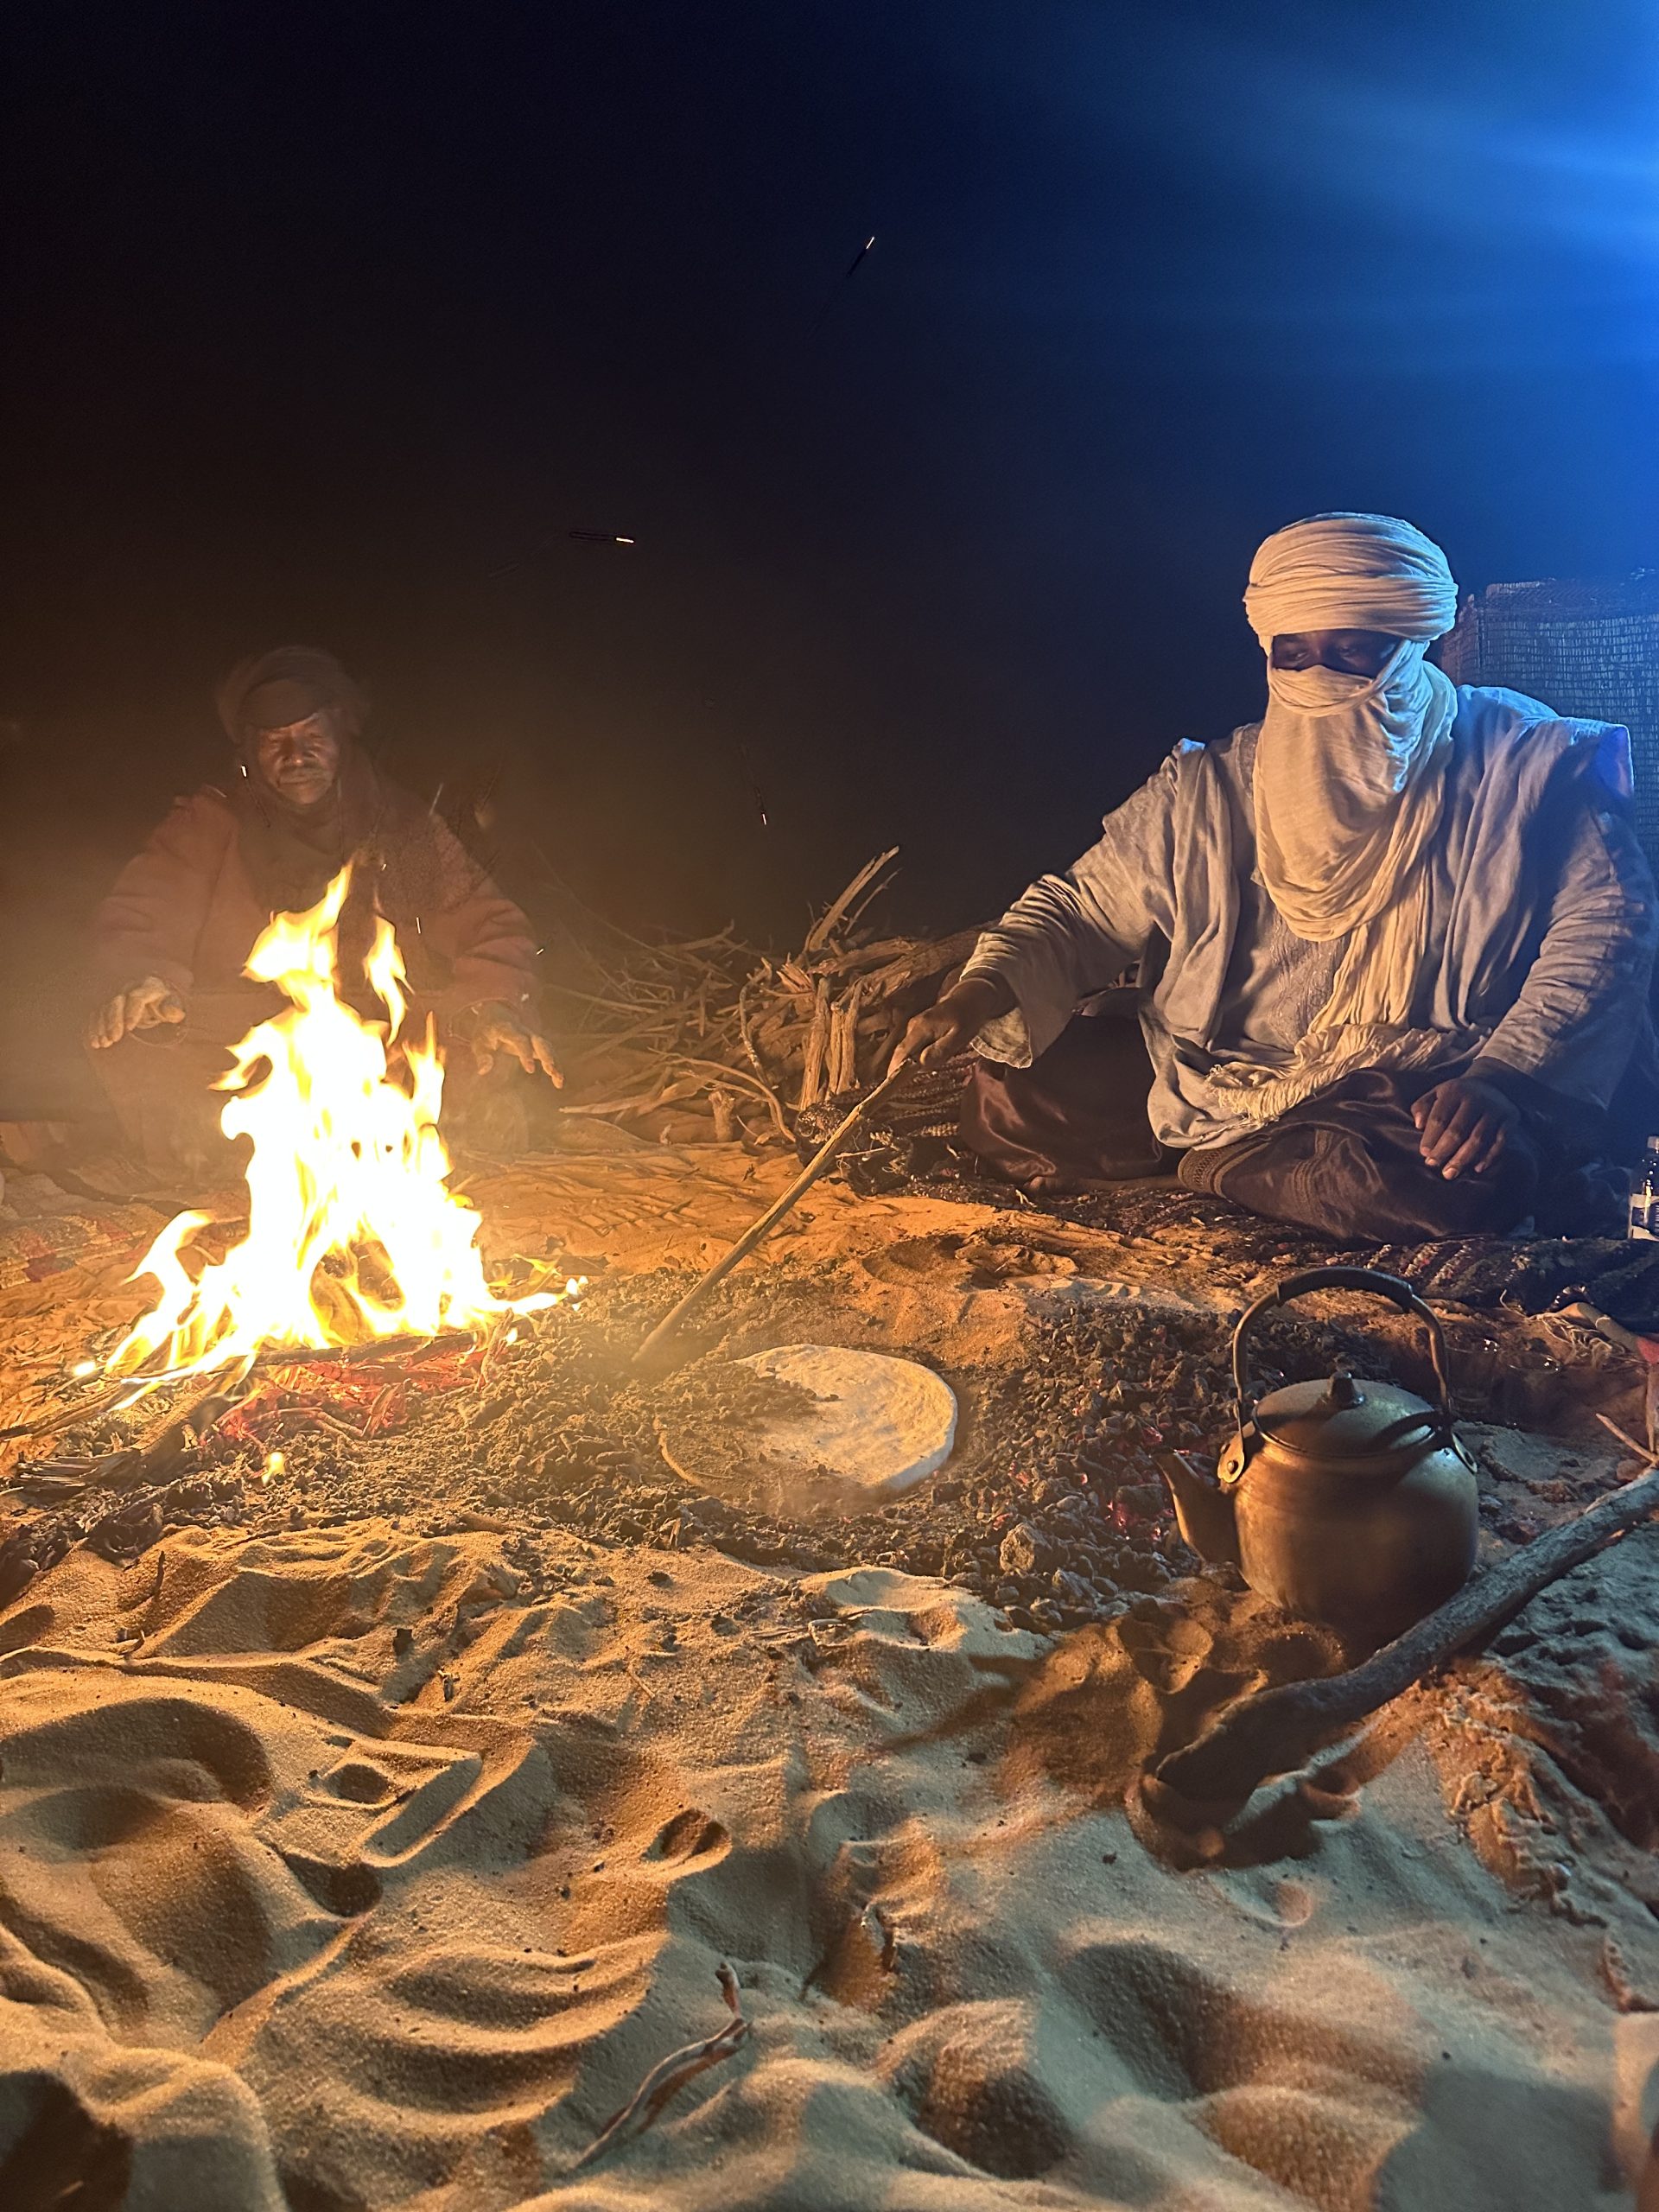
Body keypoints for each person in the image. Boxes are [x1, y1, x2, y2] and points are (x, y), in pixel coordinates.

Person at [894, 513, 1658, 1243]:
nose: (1319, 677)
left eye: (1352, 651)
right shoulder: (1210, 788)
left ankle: (1202, 1166)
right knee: (1008, 1091)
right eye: (1295, 654)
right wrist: (978, 992)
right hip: (1215, 1072)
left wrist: (1501, 1078)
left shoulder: (1525, 764)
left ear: (1410, 644)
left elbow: (1605, 930)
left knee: (1452, 1175)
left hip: (1402, 1075)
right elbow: (1083, 910)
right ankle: (1245, 1163)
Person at [86, 645, 560, 1173]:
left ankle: (429, 1135)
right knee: (131, 1037)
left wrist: (493, 1002)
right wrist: (147, 978)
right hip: (244, 1044)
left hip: (381, 1043)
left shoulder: (401, 823)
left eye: (312, 737)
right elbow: (144, 910)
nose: (296, 757)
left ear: (340, 733)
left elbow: (488, 921)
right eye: (276, 742)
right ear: (250, 750)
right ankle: (221, 1150)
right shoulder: (211, 821)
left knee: (491, 1037)